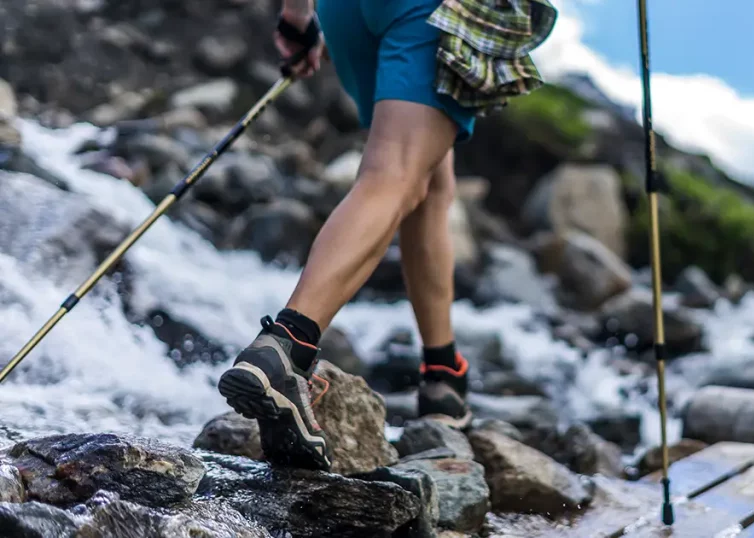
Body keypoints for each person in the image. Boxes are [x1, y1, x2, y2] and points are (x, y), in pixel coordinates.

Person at [216, 0, 556, 472]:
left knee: (429, 178)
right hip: (429, 10)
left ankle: (442, 374)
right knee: (392, 174)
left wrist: (296, 16)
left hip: (345, 11)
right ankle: (286, 348)